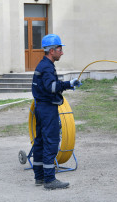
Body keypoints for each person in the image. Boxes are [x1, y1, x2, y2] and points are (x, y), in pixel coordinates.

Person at [31, 34, 81, 189]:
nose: (62, 52)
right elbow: (51, 87)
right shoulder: (46, 67)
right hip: (47, 108)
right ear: (52, 51)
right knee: (51, 142)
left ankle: (39, 177)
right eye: (60, 49)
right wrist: (68, 84)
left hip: (41, 107)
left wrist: (68, 84)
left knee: (39, 142)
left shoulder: (44, 64)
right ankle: (50, 180)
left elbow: (49, 86)